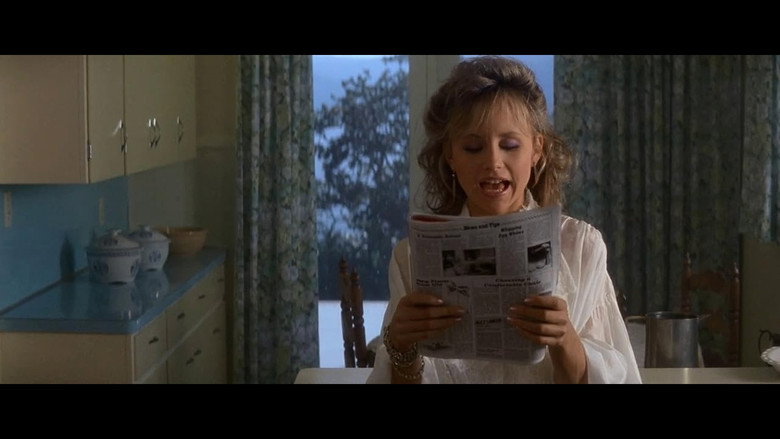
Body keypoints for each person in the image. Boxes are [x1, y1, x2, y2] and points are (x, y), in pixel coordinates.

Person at [366, 56, 642, 384]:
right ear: (450, 155)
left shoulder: (580, 247)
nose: (493, 161)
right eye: (473, 147)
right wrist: (401, 346)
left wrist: (564, 338)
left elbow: (615, 375)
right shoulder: (412, 258)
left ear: (537, 149)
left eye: (509, 145)